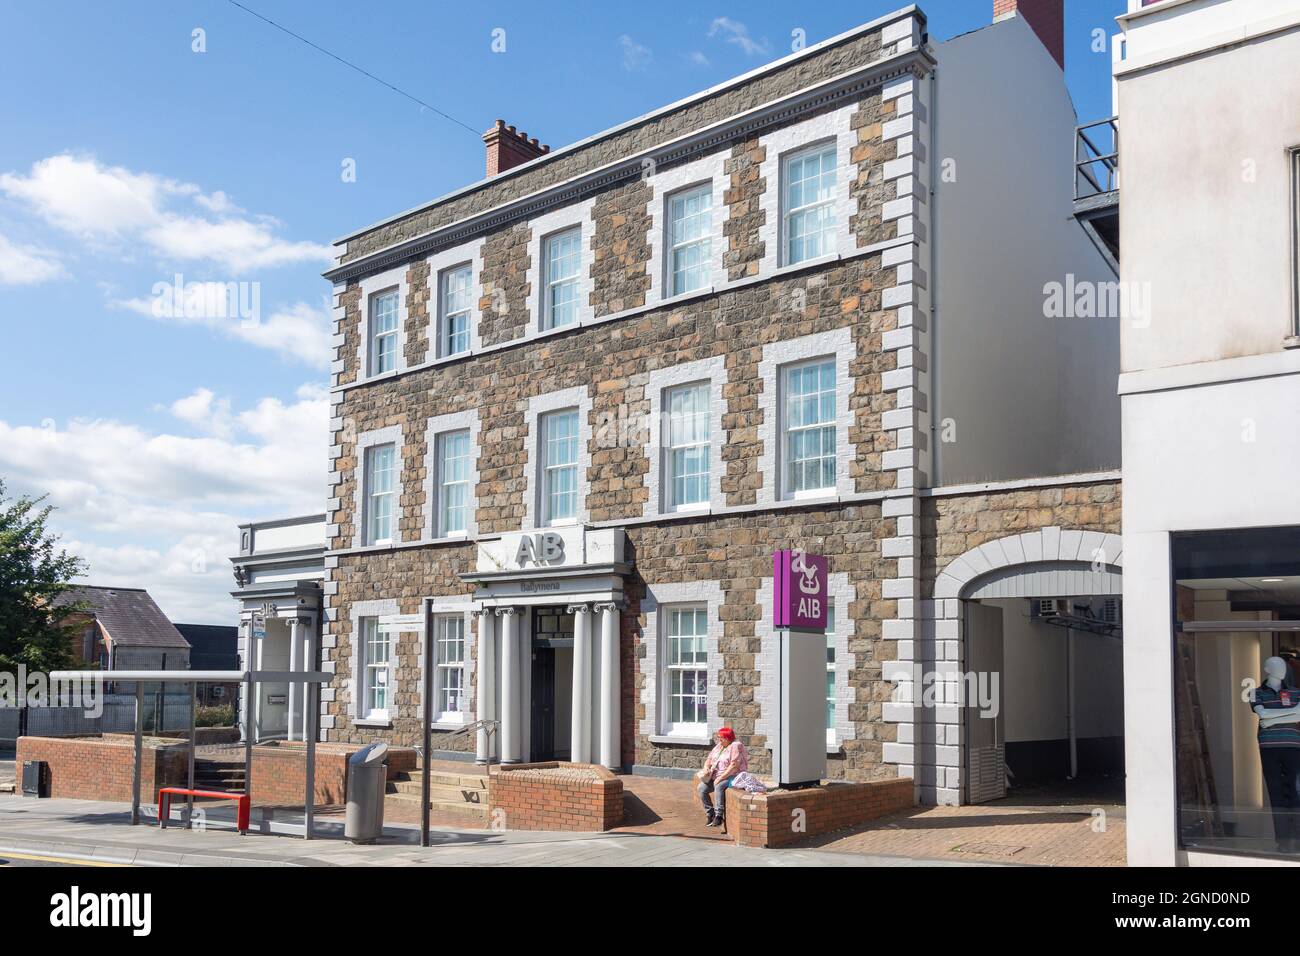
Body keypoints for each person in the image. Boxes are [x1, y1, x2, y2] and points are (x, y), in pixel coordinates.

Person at [696, 727, 748, 827]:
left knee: (719, 786)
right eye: (718, 737)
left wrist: (721, 778)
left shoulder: (735, 746)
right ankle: (710, 814)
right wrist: (706, 767)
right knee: (701, 788)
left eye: (721, 737)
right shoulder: (719, 746)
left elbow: (734, 765)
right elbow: (709, 759)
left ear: (728, 738)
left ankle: (719, 816)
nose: (719, 739)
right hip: (715, 775)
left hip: (732, 775)